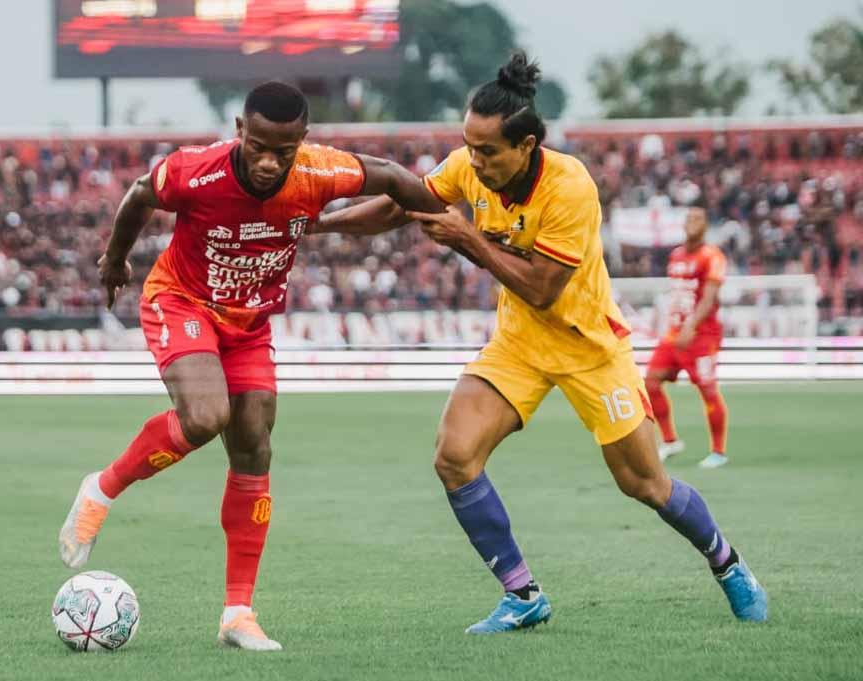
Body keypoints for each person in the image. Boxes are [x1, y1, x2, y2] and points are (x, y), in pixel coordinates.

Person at [316, 53, 767, 633]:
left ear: (527, 145)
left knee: (644, 483)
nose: (474, 162)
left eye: (488, 151)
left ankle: (726, 561)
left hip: (589, 347)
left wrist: (467, 239)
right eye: (468, 147)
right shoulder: (468, 168)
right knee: (454, 455)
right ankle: (522, 594)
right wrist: (320, 224)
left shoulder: (569, 186)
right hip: (519, 343)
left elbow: (542, 289)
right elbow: (403, 206)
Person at [57, 81, 443, 651]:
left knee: (254, 445)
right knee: (205, 416)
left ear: (302, 141)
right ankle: (102, 487)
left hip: (251, 321)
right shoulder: (196, 172)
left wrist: (445, 215)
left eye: (283, 152)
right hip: (183, 301)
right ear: (240, 130)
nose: (268, 162)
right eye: (258, 146)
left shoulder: (319, 172)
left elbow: (388, 175)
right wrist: (115, 259)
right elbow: (140, 194)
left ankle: (237, 614)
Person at [646, 208, 731, 468]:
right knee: (650, 382)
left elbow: (709, 298)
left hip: (702, 336)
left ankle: (718, 451)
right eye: (689, 219)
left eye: (698, 219)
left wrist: (691, 325)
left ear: (706, 226)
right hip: (674, 334)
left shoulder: (712, 256)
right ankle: (670, 440)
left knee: (707, 389)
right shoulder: (676, 255)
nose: (693, 223)